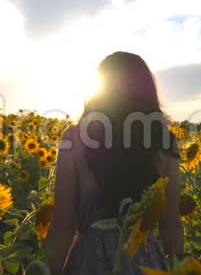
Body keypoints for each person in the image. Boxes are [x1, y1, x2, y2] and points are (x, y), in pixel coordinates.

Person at [46, 52, 184, 274]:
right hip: (146, 263)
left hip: (89, 263)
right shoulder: (162, 143)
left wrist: (49, 269)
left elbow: (62, 226)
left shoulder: (74, 139)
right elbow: (171, 226)